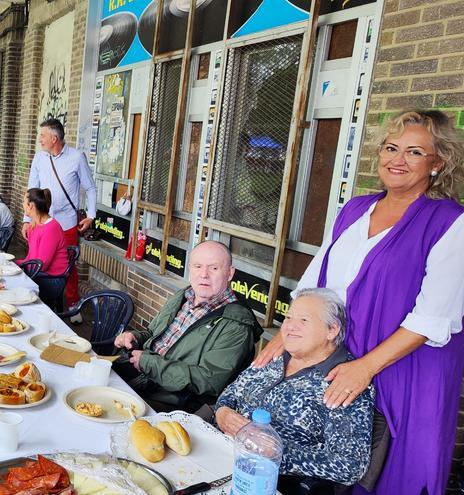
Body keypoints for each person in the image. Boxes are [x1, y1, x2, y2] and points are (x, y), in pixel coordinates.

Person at [254, 110, 464, 494]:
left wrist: (365, 368)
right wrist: (286, 336)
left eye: (415, 152)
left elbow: (432, 318)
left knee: (394, 467)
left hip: (405, 368)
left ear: (439, 162)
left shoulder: (450, 223)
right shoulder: (354, 210)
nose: (397, 160)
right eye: (391, 147)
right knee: (334, 462)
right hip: (344, 357)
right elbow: (315, 282)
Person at [216, 289, 375, 490]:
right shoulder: (276, 356)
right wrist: (222, 412)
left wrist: (275, 450)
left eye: (304, 320)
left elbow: (350, 465)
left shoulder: (345, 380)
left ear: (332, 330)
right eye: (288, 317)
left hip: (270, 482)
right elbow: (231, 393)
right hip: (221, 454)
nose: (290, 326)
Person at [113, 241, 262, 412]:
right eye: (198, 266)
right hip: (138, 376)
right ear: (189, 268)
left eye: (214, 268)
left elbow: (209, 380)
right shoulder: (184, 296)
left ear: (229, 273)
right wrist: (134, 337)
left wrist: (149, 363)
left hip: (167, 401)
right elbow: (152, 333)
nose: (203, 274)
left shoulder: (237, 324)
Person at [24, 119, 97, 310]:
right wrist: (27, 219)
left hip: (66, 222)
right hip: (40, 221)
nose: (40, 140)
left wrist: (91, 215)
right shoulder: (40, 158)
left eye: (43, 136)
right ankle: (34, 298)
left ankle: (73, 304)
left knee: (67, 265)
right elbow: (31, 189)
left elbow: (90, 187)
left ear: (54, 138)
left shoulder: (76, 157)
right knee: (36, 259)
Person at [18, 188, 68, 275]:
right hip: (36, 271)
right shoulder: (33, 225)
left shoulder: (51, 228)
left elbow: (42, 265)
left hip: (51, 277)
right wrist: (15, 264)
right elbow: (31, 257)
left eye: (24, 202)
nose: (23, 204)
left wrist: (19, 267)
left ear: (30, 205)